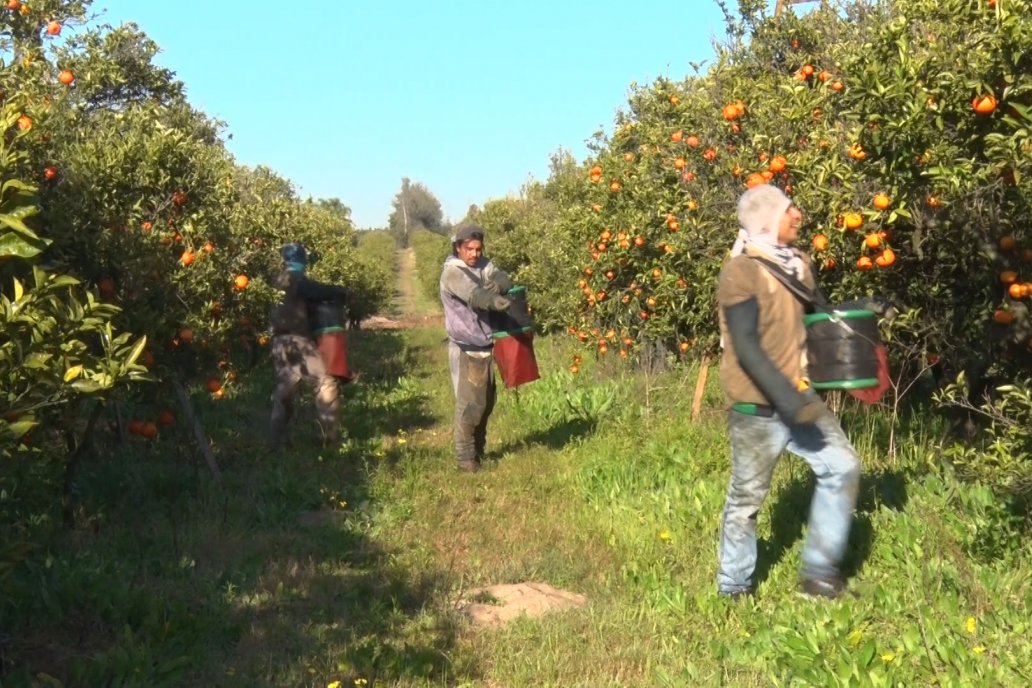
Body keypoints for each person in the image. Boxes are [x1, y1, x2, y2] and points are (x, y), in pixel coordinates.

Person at [715, 184, 862, 600]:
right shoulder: (740, 271)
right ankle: (733, 587)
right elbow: (745, 345)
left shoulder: (798, 264)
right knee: (746, 500)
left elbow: (820, 315)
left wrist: (866, 307)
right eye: (788, 210)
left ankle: (818, 575)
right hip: (759, 404)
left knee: (842, 467)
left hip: (797, 395)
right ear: (767, 219)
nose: (797, 216)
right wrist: (788, 401)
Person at [439, 224, 513, 472]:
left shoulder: (484, 265)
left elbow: (503, 276)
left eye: (478, 249)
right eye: (469, 249)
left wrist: (499, 284)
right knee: (470, 405)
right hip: (466, 347)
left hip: (485, 344)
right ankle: (466, 460)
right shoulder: (452, 273)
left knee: (486, 402)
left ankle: (479, 452)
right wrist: (494, 300)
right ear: (458, 248)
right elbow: (473, 295)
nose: (474, 254)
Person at [269, 242, 350, 448]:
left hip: (279, 343)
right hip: (300, 341)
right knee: (324, 384)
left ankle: (277, 441)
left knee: (284, 391)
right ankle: (330, 438)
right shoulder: (296, 280)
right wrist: (341, 292)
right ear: (302, 261)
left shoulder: (274, 282)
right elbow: (318, 291)